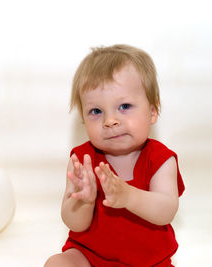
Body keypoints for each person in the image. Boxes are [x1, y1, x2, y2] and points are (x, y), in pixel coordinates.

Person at [44, 44, 185, 267]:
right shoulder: (82, 161)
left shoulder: (161, 159)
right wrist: (85, 202)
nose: (110, 120)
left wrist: (128, 196)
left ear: (152, 111)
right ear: (83, 118)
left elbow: (166, 210)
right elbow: (74, 223)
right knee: (57, 263)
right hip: (90, 255)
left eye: (125, 106)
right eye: (96, 111)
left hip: (149, 261)